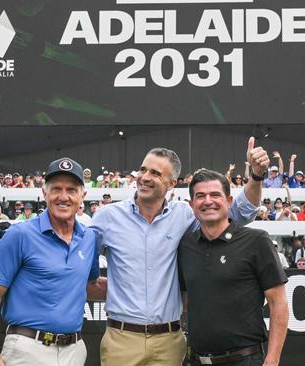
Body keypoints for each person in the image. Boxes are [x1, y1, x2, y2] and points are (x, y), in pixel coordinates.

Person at [91, 138, 267, 366]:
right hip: (121, 340)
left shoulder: (184, 215)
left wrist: (256, 175)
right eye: (143, 169)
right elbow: (79, 262)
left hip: (170, 342)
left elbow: (240, 211)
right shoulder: (107, 217)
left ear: (172, 183)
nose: (144, 177)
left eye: (155, 173)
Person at [0, 158, 106, 366]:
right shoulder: (19, 234)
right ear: (44, 193)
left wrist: (138, 287)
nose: (63, 197)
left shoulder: (89, 239)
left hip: (74, 351)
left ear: (83, 195)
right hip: (27, 349)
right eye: (56, 189)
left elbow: (90, 287)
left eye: (71, 189)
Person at [178, 169, 288, 366]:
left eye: (215, 194)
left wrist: (272, 359)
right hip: (195, 360)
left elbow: (278, 303)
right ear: (191, 204)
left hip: (245, 360)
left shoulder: (256, 241)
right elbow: (185, 299)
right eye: (200, 196)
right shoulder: (185, 245)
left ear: (229, 201)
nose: (208, 201)